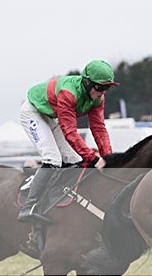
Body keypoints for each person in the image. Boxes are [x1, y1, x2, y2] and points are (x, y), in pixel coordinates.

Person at [18, 59, 119, 223]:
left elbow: (99, 128)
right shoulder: (68, 93)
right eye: (100, 87)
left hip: (51, 115)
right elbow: (70, 132)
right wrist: (93, 159)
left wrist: (108, 158)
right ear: (87, 83)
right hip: (33, 112)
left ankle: (57, 194)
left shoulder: (98, 98)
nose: (102, 92)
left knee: (75, 160)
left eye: (107, 88)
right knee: (53, 159)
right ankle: (28, 207)